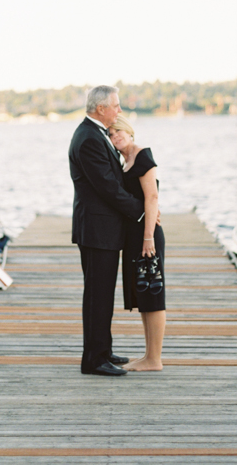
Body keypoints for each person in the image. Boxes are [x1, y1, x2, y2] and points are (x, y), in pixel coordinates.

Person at [68, 85, 145, 376]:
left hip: (101, 228)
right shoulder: (88, 138)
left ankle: (102, 350)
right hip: (97, 230)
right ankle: (94, 360)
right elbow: (108, 188)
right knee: (98, 295)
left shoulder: (93, 134)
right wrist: (141, 210)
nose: (120, 111)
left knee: (101, 294)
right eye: (116, 105)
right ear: (100, 109)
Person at [108, 115, 166, 372]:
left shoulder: (142, 156)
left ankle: (155, 360)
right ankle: (148, 356)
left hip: (147, 236)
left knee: (153, 293)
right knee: (143, 293)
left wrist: (148, 236)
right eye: (110, 134)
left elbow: (152, 197)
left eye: (118, 130)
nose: (115, 136)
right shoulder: (125, 160)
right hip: (135, 236)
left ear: (129, 130)